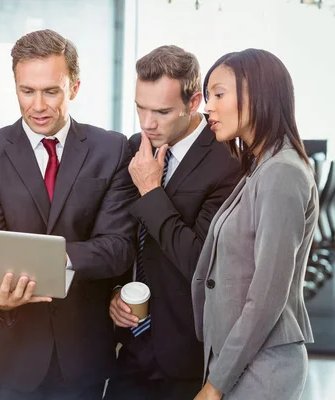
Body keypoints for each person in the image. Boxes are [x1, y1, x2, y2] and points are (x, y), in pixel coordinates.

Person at [0, 29, 138, 399]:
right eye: (27, 91)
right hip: (9, 352)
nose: (38, 105)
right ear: (15, 86)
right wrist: (0, 292)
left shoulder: (113, 149)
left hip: (82, 355)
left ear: (73, 87)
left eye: (51, 91)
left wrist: (53, 258)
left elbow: (119, 246)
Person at [104, 45, 240, 400]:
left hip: (188, 353)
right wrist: (116, 292)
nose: (147, 123)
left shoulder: (228, 162)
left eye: (162, 111)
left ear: (193, 102)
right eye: (140, 108)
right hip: (131, 346)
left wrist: (150, 190)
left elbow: (201, 261)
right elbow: (122, 235)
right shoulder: (136, 146)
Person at [192, 49, 317, 400]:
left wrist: (215, 385)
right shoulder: (262, 168)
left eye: (219, 94)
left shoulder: (281, 172)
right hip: (247, 363)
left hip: (263, 369)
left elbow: (266, 297)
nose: (207, 107)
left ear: (258, 93)